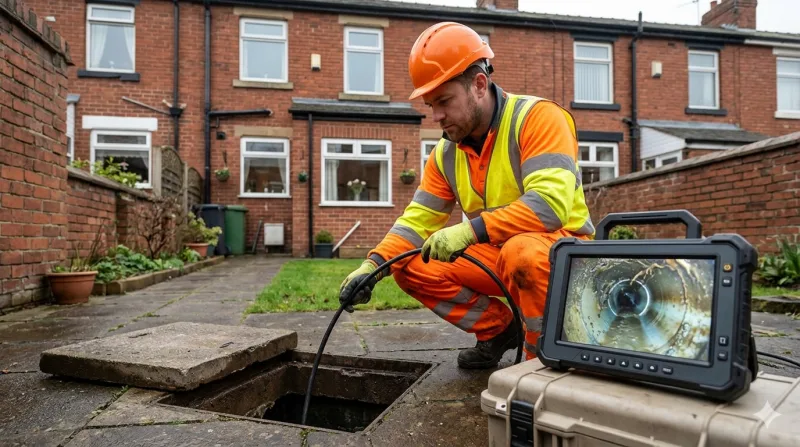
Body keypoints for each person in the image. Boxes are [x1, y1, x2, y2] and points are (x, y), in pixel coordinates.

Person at [338, 22, 595, 369]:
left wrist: (467, 231)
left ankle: (543, 364)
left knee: (522, 254)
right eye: (431, 104)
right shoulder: (446, 154)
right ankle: (499, 330)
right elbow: (417, 221)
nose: (437, 116)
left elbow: (549, 207)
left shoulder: (538, 119)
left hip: (561, 252)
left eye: (444, 101)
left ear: (478, 84)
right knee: (411, 264)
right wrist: (372, 266)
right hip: (500, 252)